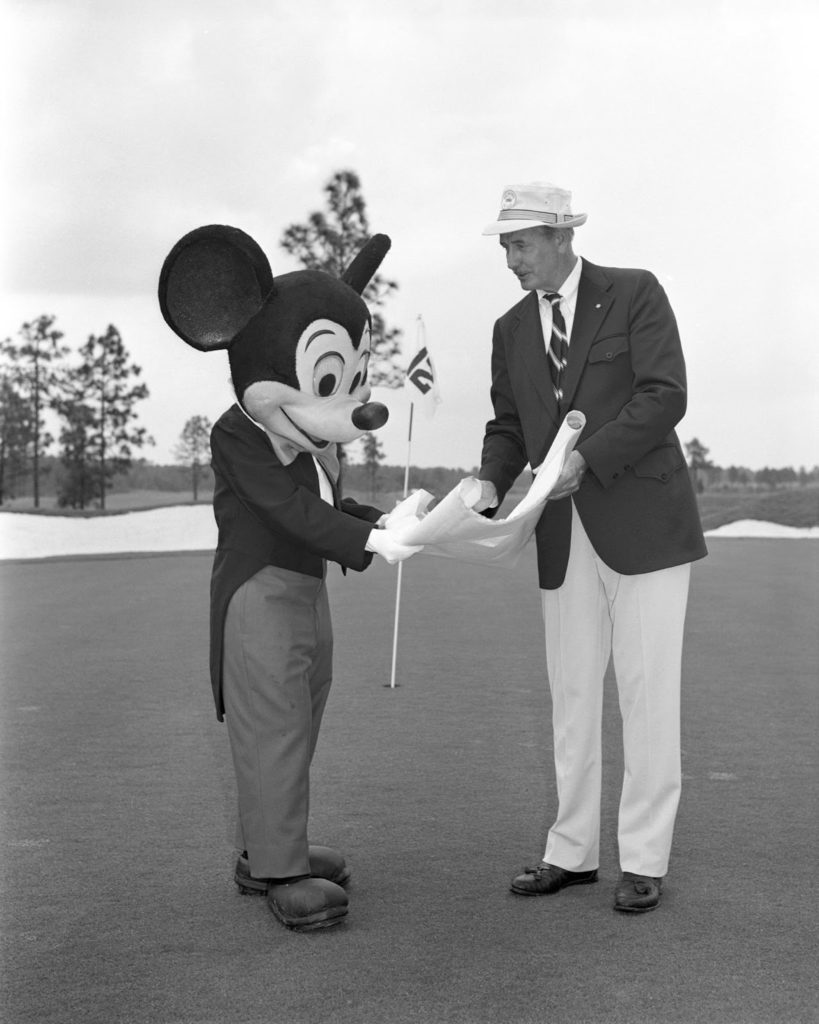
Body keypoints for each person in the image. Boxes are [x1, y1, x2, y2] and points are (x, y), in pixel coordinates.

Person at [471, 182, 707, 912]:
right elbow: (508, 423)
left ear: (561, 236)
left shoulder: (634, 293)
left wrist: (586, 458)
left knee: (645, 694)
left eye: (519, 244)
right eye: (506, 246)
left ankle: (643, 858)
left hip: (644, 524)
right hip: (557, 531)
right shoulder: (509, 328)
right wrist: (487, 481)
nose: (510, 259)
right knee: (572, 694)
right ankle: (570, 853)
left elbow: (663, 394)